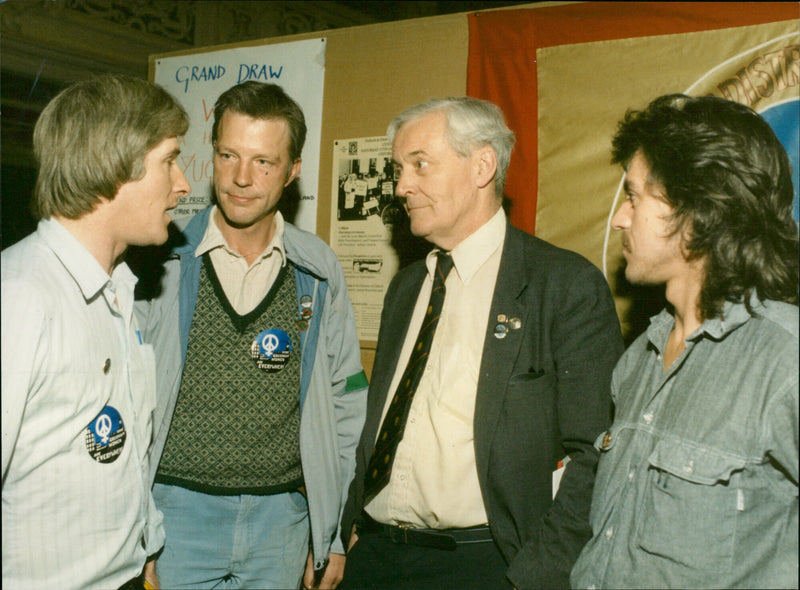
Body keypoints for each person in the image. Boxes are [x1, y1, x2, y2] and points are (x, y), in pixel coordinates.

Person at [339, 97, 624, 589]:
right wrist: (348, 532)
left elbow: (596, 456)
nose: (401, 186)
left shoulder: (561, 286)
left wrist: (534, 577)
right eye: (398, 169)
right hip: (374, 558)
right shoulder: (407, 287)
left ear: (482, 166)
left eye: (419, 165)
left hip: (485, 568)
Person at [135, 81, 367, 590]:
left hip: (282, 524)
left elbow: (346, 405)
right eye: (228, 155)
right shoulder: (162, 261)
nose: (241, 178)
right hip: (175, 518)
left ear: (293, 170)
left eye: (263, 162)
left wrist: (329, 531)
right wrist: (137, 530)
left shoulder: (318, 267)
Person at [571, 94, 799, 589]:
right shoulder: (637, 361)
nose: (619, 219)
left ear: (697, 209)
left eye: (634, 196)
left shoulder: (785, 360)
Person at [1, 74, 190, 590]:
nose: (184, 184)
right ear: (114, 166)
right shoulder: (19, 296)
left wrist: (146, 543)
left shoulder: (118, 291)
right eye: (169, 160)